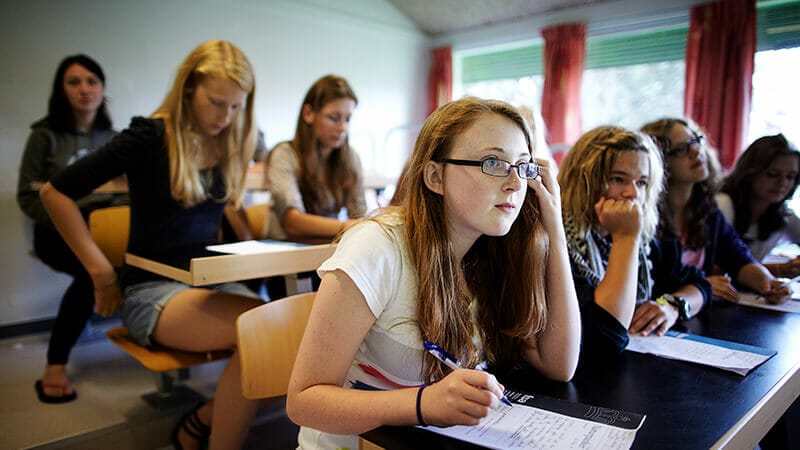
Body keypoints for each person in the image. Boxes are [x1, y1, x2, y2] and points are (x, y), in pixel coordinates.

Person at [286, 97, 581, 448]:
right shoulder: (377, 247)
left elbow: (559, 365)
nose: (516, 184)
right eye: (493, 162)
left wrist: (555, 229)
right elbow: (303, 401)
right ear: (435, 176)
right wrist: (424, 404)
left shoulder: (494, 250)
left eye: (523, 166)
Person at [39, 40, 264, 450]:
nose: (225, 116)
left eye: (236, 107)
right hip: (153, 291)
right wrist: (101, 271)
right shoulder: (150, 135)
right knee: (261, 330)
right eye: (217, 103)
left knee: (282, 332)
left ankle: (202, 421)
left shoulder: (231, 139)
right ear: (190, 88)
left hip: (208, 283)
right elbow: (55, 194)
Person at [17, 54, 126, 404]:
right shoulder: (44, 136)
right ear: (60, 90)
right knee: (89, 273)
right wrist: (73, 224)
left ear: (102, 88)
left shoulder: (115, 138)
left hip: (106, 231)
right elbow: (27, 195)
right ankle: (55, 366)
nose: (84, 89)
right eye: (74, 81)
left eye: (92, 81)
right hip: (58, 235)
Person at [558, 126, 711, 356]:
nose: (633, 194)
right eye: (618, 179)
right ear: (583, 181)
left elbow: (700, 284)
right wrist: (625, 238)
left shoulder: (648, 243)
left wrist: (673, 306)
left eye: (641, 182)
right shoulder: (555, 242)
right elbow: (606, 334)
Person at [641, 118, 790, 305]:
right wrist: (699, 287)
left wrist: (769, 283)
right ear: (659, 162)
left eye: (696, 141)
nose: (696, 151)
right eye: (681, 149)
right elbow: (646, 287)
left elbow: (739, 259)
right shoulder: (646, 217)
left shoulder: (705, 209)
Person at [265, 74, 366, 242]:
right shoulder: (284, 154)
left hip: (325, 251)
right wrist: (349, 226)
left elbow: (360, 216)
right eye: (334, 118)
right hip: (285, 255)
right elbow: (292, 222)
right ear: (308, 113)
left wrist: (360, 225)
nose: (342, 128)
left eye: (347, 119)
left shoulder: (351, 158)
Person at [717, 134, 800, 277]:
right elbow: (711, 269)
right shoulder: (723, 204)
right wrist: (779, 269)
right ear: (750, 172)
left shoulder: (784, 216)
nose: (783, 183)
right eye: (773, 174)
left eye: (790, 177)